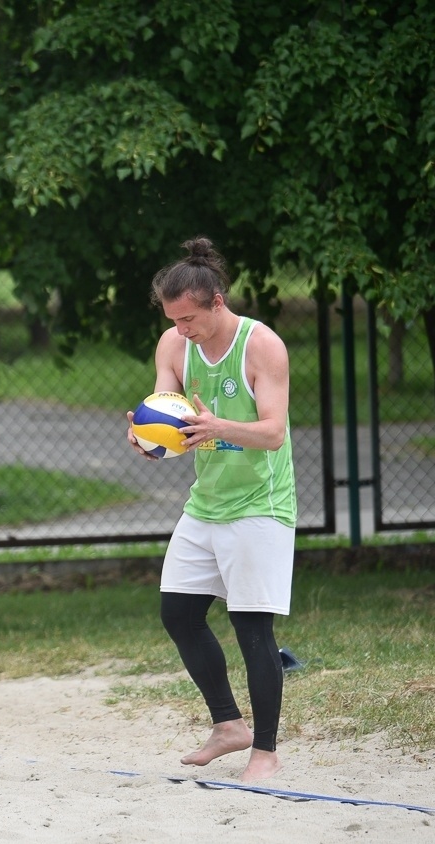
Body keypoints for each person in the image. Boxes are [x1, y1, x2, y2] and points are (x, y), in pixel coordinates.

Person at [127, 238, 296, 783]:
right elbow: (167, 414)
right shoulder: (174, 345)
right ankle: (228, 725)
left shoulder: (261, 346)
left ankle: (265, 752)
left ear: (217, 302)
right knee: (178, 614)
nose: (180, 330)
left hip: (260, 504)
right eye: (172, 320)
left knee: (251, 627)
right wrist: (149, 437)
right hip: (206, 503)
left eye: (188, 319)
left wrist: (219, 427)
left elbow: (273, 433)